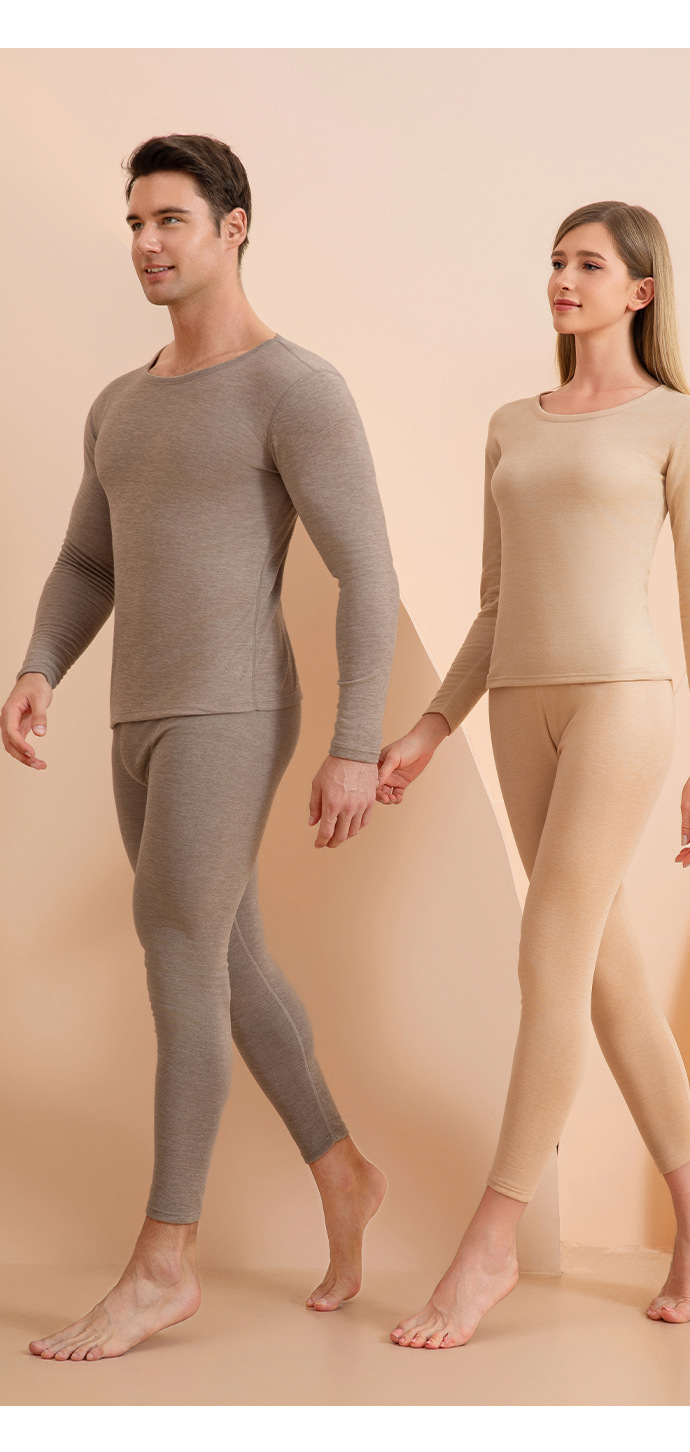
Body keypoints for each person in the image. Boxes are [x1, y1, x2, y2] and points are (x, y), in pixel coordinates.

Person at [2, 133, 399, 1362]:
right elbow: (88, 559)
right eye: (135, 223)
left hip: (234, 708)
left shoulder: (296, 388)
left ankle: (162, 1263)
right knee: (228, 956)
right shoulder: (120, 405)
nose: (146, 243)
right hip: (138, 716)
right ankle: (343, 1170)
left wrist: (353, 743)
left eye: (170, 219)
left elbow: (366, 573)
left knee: (175, 949)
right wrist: (39, 664)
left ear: (235, 227)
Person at [377, 201, 690, 1350]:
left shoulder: (678, 422)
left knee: (546, 954)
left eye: (587, 264)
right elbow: (495, 605)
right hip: (516, 709)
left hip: (622, 704)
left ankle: (492, 1238)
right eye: (555, 261)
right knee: (604, 971)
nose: (562, 279)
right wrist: (432, 726)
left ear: (639, 290)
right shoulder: (510, 426)